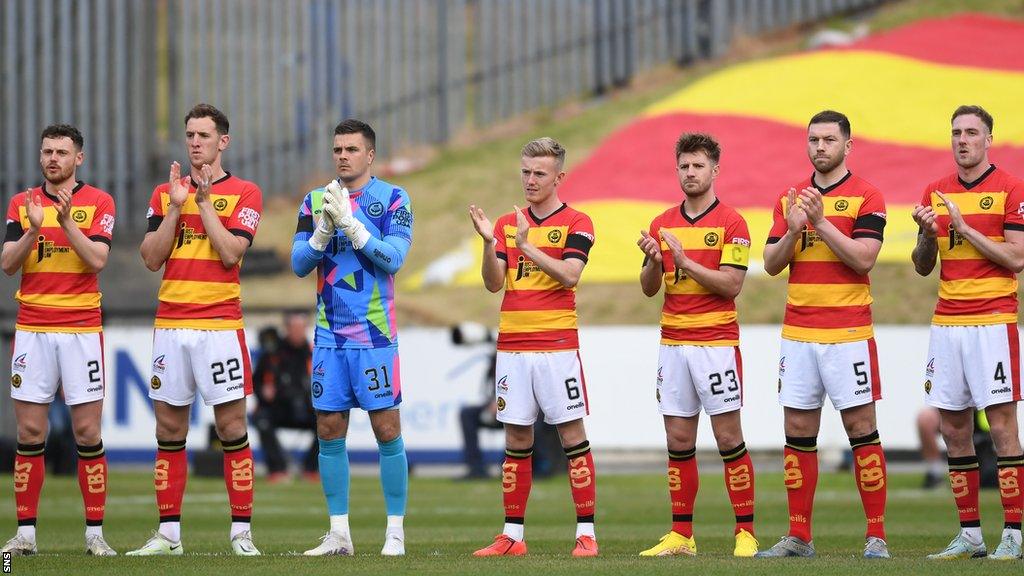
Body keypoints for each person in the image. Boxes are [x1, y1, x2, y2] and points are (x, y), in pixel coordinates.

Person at [127, 103, 263, 556]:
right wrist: (175, 208)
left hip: (219, 326)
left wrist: (204, 205)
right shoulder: (165, 192)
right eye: (189, 135)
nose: (195, 143)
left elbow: (230, 255)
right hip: (171, 324)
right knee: (168, 428)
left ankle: (241, 533)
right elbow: (150, 258)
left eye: (203, 135)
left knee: (231, 426)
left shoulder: (246, 192)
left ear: (223, 141)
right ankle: (168, 535)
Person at [758, 110, 889, 559]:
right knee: (797, 429)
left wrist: (822, 222)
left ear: (847, 146)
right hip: (798, 333)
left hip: (849, 332)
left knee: (861, 428)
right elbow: (772, 264)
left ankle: (876, 535)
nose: (819, 147)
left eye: (829, 140)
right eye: (813, 139)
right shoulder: (790, 198)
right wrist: (794, 227)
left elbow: (864, 259)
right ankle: (799, 536)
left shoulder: (867, 196)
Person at [468, 137, 599, 557]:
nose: (530, 180)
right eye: (525, 171)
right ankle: (513, 536)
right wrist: (492, 244)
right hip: (512, 346)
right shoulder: (508, 222)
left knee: (572, 436)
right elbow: (493, 283)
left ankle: (586, 533)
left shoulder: (579, 221)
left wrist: (526, 246)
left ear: (559, 176)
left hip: (557, 347)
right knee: (515, 439)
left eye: (539, 173)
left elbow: (570, 275)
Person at [292, 119, 413, 557]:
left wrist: (352, 225)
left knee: (386, 428)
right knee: (328, 429)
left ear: (370, 155)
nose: (342, 155)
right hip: (329, 338)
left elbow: (394, 258)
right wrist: (324, 230)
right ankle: (338, 533)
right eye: (337, 148)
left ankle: (394, 532)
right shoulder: (313, 200)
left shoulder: (393, 198)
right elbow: (299, 263)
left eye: (351, 149)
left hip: (375, 337)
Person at [636, 133, 757, 557]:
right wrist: (654, 261)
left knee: (728, 437)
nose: (690, 173)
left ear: (714, 170)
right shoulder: (661, 222)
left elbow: (732, 285)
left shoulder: (733, 223)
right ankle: (681, 535)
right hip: (673, 344)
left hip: (716, 344)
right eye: (684, 166)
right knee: (678, 439)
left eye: (698, 166)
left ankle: (745, 531)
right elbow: (650, 289)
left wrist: (684, 260)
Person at [911, 104, 1024, 560]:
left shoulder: (1011, 188)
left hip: (993, 322)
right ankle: (971, 534)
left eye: (972, 132)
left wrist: (964, 228)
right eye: (956, 132)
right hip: (947, 323)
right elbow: (923, 268)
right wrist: (925, 235)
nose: (962, 140)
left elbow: (1017, 257)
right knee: (952, 426)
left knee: (1001, 426)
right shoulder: (935, 192)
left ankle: (1014, 533)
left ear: (988, 138)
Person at [0, 124, 117, 556]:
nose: (53, 158)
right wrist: (32, 230)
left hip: (80, 330)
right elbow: (8, 265)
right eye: (47, 151)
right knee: (30, 432)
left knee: (88, 432)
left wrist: (66, 223)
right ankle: (25, 536)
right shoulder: (22, 203)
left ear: (78, 158)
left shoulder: (99, 201)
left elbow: (97, 259)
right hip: (32, 328)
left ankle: (94, 535)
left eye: (62, 152)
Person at [252, 312, 318, 482]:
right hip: (278, 408)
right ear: (286, 329)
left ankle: (311, 468)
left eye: (301, 328)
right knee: (261, 419)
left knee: (330, 422)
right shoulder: (272, 354)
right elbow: (256, 382)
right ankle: (277, 469)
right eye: (293, 328)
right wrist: (264, 392)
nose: (297, 332)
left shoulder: (314, 353)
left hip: (307, 407)